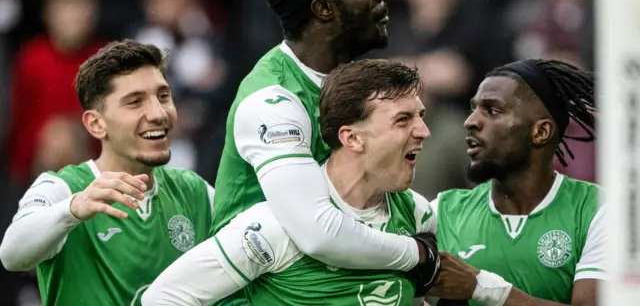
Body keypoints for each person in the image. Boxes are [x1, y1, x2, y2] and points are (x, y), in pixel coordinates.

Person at [211, 0, 439, 302]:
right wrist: (420, 255)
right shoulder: (272, 99)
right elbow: (317, 232)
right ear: (323, 8)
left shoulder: (357, 84)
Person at [143, 59, 437, 305]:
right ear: (352, 138)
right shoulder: (275, 227)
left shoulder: (418, 214)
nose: (423, 131)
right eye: (403, 120)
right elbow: (165, 296)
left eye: (420, 117)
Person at [0, 40, 215, 306]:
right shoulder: (64, 187)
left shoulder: (194, 191)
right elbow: (12, 254)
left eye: (163, 96)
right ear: (96, 124)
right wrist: (73, 209)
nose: (159, 113)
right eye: (135, 102)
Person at [425, 59, 603, 306]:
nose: (470, 121)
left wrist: (483, 288)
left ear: (541, 132)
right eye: (473, 108)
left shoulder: (597, 209)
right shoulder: (442, 212)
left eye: (492, 110)